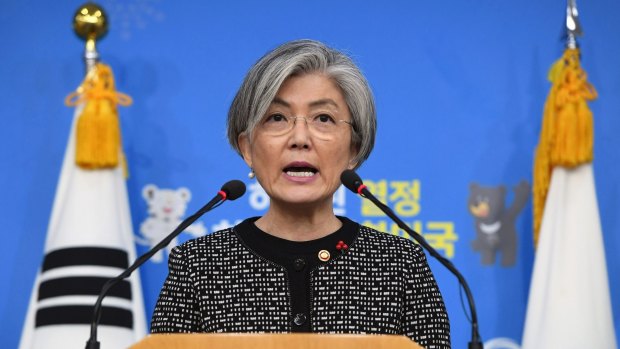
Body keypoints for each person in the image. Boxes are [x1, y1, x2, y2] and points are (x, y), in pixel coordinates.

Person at [150, 39, 451, 348]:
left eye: (324, 118)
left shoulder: (399, 266)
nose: (300, 138)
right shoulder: (198, 266)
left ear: (354, 150)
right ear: (247, 148)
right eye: (277, 118)